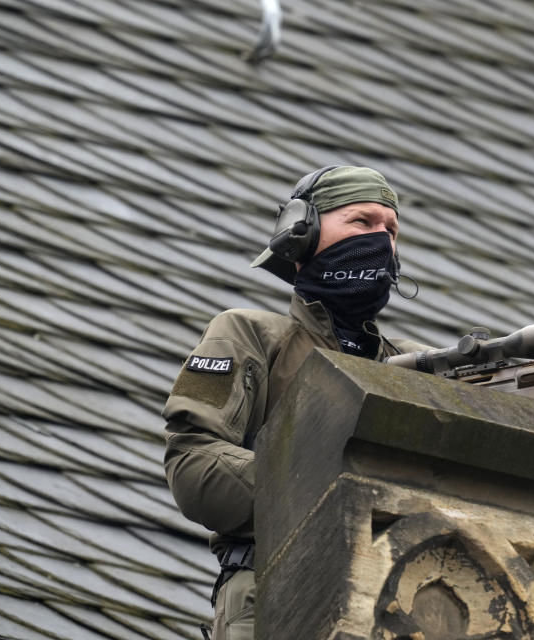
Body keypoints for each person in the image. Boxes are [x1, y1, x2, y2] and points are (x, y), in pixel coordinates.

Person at [162, 166, 429, 640]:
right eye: (362, 222)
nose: (382, 242)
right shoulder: (246, 334)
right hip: (271, 590)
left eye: (391, 231)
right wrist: (333, 489)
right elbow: (193, 463)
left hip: (394, 607)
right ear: (300, 235)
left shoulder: (416, 365)